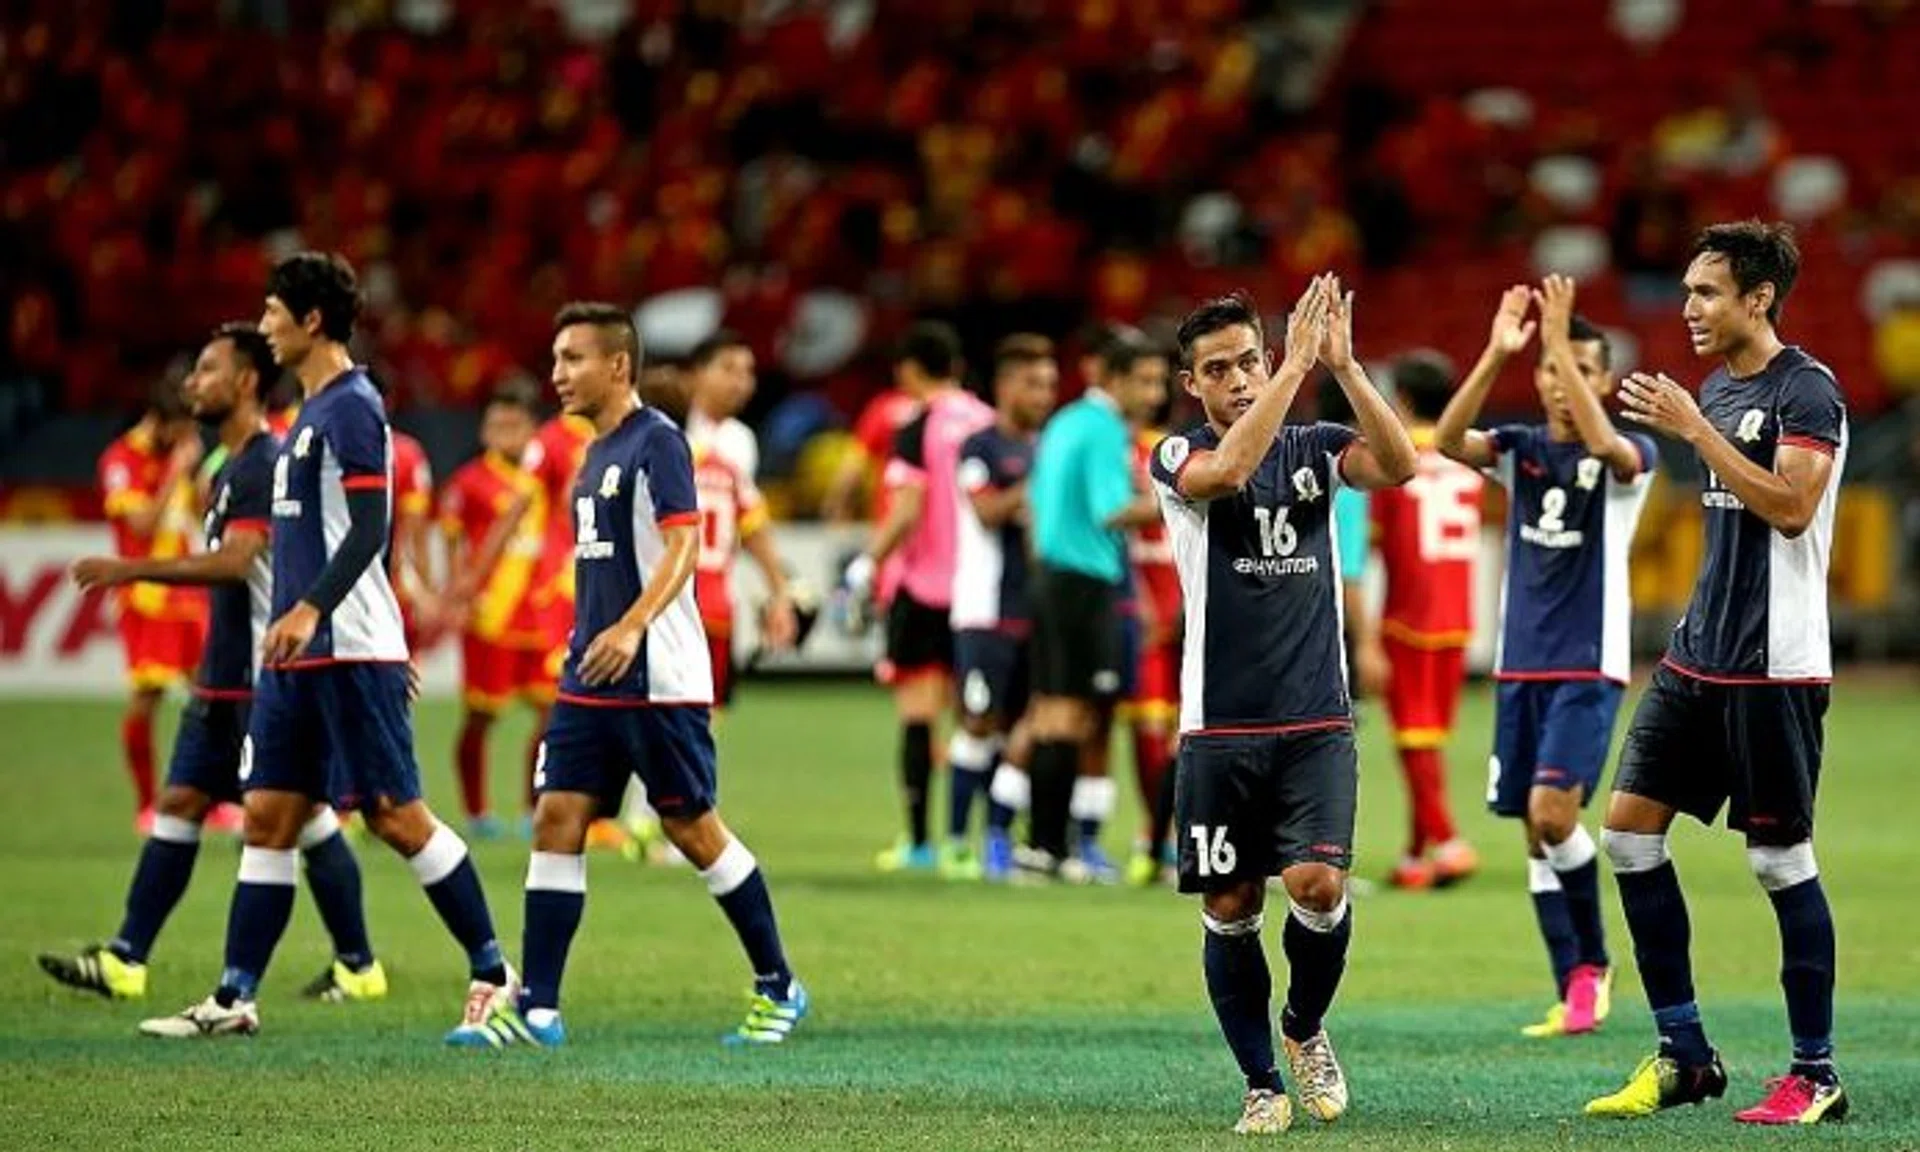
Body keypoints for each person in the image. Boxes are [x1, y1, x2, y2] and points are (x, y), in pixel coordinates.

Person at [141, 252, 510, 1041]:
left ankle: (494, 973)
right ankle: (235, 997)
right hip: (298, 654)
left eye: (274, 312)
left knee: (396, 818)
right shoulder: (306, 417)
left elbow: (372, 531)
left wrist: (314, 611)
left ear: (311, 321)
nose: (264, 326)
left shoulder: (351, 408)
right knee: (269, 816)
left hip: (343, 649)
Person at [452, 302, 806, 1048]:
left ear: (618, 365)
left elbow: (685, 544)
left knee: (690, 827)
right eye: (554, 359)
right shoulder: (595, 453)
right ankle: (539, 1009)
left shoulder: (659, 444)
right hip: (590, 673)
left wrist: (634, 622)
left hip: (656, 677)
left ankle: (780, 985)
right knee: (557, 818)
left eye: (572, 359)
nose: (557, 375)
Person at [1586, 222, 1850, 1124]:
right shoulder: (1715, 385)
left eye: (1706, 292)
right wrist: (1701, 421)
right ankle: (1685, 1055)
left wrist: (1696, 429)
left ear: (1758, 298)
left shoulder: (1806, 390)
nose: (1689, 308)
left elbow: (1789, 507)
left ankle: (1816, 1073)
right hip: (1698, 657)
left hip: (1775, 668)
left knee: (1779, 862)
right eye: (1690, 291)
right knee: (1626, 836)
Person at [41, 323, 385, 1006]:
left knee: (304, 818)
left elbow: (237, 562)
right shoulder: (227, 467)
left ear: (246, 381)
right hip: (222, 676)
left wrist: (129, 569)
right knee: (181, 803)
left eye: (206, 370)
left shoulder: (265, 463)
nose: (192, 384)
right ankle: (127, 959)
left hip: (267, 678)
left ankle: (354, 966)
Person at [1149, 277, 1416, 1134]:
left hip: (1315, 717)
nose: (1239, 379)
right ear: (1191, 384)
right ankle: (1260, 1080)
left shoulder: (1316, 445)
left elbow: (1402, 464)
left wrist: (1340, 364)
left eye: (1250, 361)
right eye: (1218, 369)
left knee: (1319, 882)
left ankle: (1302, 1029)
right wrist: (1300, 364)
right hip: (1218, 725)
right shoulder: (1173, 457)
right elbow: (1227, 472)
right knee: (1231, 907)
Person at [1433, 278, 1657, 1039]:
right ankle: (1571, 985)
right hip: (1518, 666)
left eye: (1581, 370)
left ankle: (1594, 963)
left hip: (1589, 664)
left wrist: (1556, 338)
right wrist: (1500, 353)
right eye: (1554, 370)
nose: (1565, 383)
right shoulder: (1519, 450)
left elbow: (1605, 445)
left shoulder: (1634, 459)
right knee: (1533, 834)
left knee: (1551, 812)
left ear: (1603, 381)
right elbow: (1443, 440)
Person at [842, 322, 991, 872]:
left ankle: (921, 843)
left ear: (909, 370)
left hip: (923, 588)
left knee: (918, 715)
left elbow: (906, 509)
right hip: (979, 595)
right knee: (976, 719)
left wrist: (866, 563)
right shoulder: (986, 420)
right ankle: (971, 841)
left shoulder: (916, 424)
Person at [1022, 329, 1162, 881]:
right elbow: (1111, 510)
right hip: (1084, 581)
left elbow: (1038, 507)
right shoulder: (1104, 429)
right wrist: (1181, 496)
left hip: (1052, 576)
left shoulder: (1064, 421)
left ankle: (1044, 848)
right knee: (1073, 715)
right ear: (1114, 379)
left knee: (1055, 711)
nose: (1153, 395)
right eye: (1144, 381)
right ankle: (1051, 849)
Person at [1369, 351, 1483, 889]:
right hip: (1457, 616)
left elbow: (1369, 554)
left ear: (1403, 400)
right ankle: (1416, 856)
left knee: (1414, 739)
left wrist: (1364, 636)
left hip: (1408, 619)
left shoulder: (1390, 459)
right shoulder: (1465, 453)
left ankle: (1448, 839)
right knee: (1429, 737)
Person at [950, 335, 1057, 881]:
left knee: (1031, 722)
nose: (1043, 395)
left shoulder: (1044, 449)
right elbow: (987, 511)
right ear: (1004, 386)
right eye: (1032, 383)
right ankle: (954, 842)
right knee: (979, 720)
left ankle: (997, 836)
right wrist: (1043, 485)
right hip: (985, 609)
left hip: (1036, 608)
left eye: (1049, 385)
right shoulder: (979, 448)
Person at [439, 381, 550, 839]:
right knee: (482, 717)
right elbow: (452, 541)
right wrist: (460, 596)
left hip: (541, 613)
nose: (505, 433)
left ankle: (534, 808)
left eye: (515, 424)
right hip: (491, 615)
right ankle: (477, 812)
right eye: (496, 424)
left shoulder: (546, 480)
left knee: (552, 716)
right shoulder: (469, 482)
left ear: (531, 430)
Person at [98, 377, 208, 833]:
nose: (186, 441)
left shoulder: (177, 454)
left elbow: (196, 514)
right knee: (146, 700)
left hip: (190, 590)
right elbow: (143, 524)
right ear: (160, 423)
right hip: (146, 597)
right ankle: (147, 805)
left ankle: (208, 795)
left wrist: (199, 477)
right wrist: (177, 471)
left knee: (213, 698)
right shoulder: (120, 460)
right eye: (180, 432)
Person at [682, 339, 798, 712]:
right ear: (697, 373)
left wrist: (779, 591)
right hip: (662, 599)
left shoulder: (740, 441)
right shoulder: (665, 430)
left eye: (748, 373)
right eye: (729, 369)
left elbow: (748, 522)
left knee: (703, 719)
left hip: (715, 596)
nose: (741, 382)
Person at [1113, 337, 1183, 887]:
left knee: (1191, 732)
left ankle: (1181, 836)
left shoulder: (1181, 448)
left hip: (1186, 610)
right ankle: (1151, 835)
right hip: (1140, 609)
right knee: (1148, 730)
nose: (1154, 393)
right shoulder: (1116, 447)